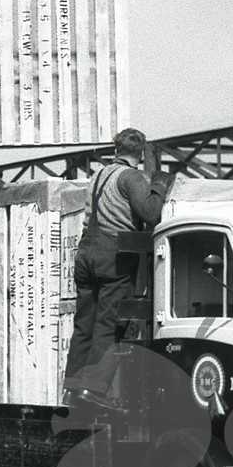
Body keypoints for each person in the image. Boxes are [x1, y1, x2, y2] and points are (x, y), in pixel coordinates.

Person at [64, 128, 169, 390]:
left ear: (116, 149)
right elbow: (151, 214)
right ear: (140, 154)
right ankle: (94, 388)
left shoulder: (98, 175)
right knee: (108, 324)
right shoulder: (131, 177)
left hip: (86, 253)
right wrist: (158, 183)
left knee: (84, 324)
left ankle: (73, 387)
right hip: (113, 254)